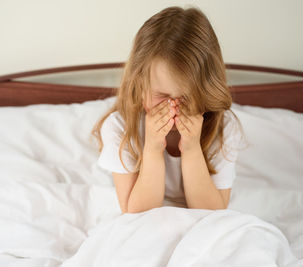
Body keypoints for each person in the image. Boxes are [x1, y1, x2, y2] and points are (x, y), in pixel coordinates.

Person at [92, 6, 246, 214]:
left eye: (187, 97)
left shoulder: (225, 127)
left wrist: (191, 149)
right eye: (162, 96)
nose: (173, 107)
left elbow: (213, 211)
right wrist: (153, 149)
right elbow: (136, 212)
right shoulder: (120, 127)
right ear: (139, 84)